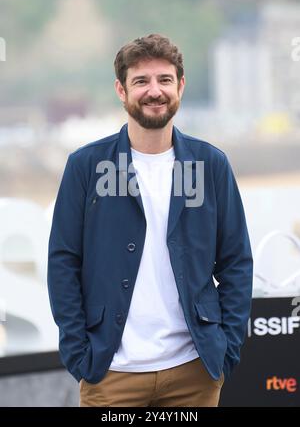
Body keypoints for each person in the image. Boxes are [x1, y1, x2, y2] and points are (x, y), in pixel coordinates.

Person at [47, 34, 253, 407]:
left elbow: (237, 261)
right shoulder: (86, 167)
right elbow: (63, 262)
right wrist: (79, 354)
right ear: (121, 90)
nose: (154, 91)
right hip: (111, 374)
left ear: (181, 86)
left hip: (195, 374)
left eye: (164, 80)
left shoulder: (210, 165)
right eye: (141, 81)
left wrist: (226, 350)